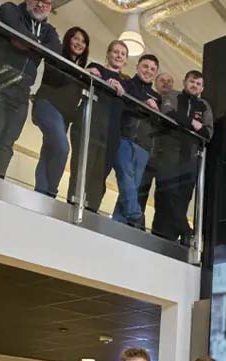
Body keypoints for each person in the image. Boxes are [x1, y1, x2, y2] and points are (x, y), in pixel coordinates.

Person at [0, 0, 61, 178]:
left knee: (8, 140)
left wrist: (29, 43)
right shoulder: (9, 9)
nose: (40, 4)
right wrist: (37, 47)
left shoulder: (49, 31)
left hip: (22, 89)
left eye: (45, 2)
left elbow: (55, 52)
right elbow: (18, 33)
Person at [141, 70, 214, 243]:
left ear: (202, 87)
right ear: (185, 82)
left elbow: (208, 133)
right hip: (168, 154)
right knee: (166, 195)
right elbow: (168, 114)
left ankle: (176, 236)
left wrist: (192, 125)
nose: (194, 86)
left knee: (183, 199)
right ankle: (175, 233)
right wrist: (194, 124)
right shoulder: (172, 95)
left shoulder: (205, 106)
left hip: (191, 158)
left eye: (198, 84)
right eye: (192, 82)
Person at [28, 27, 90, 197]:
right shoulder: (57, 55)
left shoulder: (82, 69)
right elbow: (57, 79)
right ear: (68, 39)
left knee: (49, 150)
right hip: (47, 104)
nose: (79, 43)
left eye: (83, 41)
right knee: (62, 148)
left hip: (65, 116)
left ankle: (41, 192)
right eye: (76, 39)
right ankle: (50, 193)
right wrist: (80, 74)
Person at [73, 40, 128, 212]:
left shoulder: (127, 83)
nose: (119, 56)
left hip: (111, 133)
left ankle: (92, 211)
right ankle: (73, 205)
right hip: (92, 126)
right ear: (109, 53)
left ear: (126, 60)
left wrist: (121, 89)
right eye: (116, 51)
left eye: (122, 54)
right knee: (83, 168)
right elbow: (83, 78)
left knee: (100, 175)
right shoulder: (97, 68)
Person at [113, 54, 162, 226]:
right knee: (125, 174)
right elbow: (123, 103)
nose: (148, 71)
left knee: (132, 185)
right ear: (137, 67)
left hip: (144, 145)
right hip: (124, 136)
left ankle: (120, 222)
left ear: (155, 73)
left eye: (152, 69)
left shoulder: (157, 97)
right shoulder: (126, 83)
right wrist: (144, 102)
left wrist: (155, 110)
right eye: (145, 66)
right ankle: (135, 214)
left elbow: (159, 123)